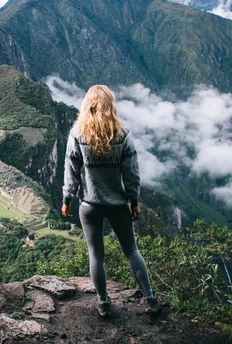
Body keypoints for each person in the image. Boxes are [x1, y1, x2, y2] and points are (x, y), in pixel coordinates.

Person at [61, 84, 159, 318]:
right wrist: (134, 201)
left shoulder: (77, 134)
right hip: (118, 205)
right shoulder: (122, 135)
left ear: (88, 105)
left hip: (90, 205)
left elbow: (71, 172)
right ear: (110, 106)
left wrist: (67, 198)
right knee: (131, 250)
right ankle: (149, 297)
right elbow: (132, 174)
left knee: (96, 255)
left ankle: (103, 302)